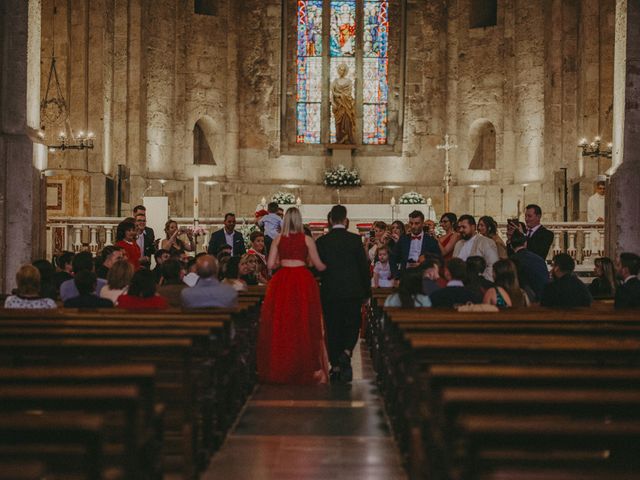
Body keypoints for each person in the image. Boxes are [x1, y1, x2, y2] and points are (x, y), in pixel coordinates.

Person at [258, 207, 329, 385]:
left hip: (282, 281)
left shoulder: (278, 239)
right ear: (299, 220)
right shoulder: (306, 239)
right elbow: (317, 264)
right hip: (303, 280)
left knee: (283, 321)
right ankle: (304, 364)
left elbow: (271, 265)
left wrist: (283, 260)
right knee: (304, 321)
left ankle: (283, 364)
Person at [316, 205, 370, 383]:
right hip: (352, 291)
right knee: (352, 324)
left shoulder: (322, 242)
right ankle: (346, 352)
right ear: (346, 220)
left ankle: (336, 366)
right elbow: (363, 268)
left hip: (330, 291)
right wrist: (366, 292)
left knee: (332, 328)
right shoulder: (355, 240)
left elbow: (319, 269)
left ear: (330, 220)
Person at [392, 210, 441, 279]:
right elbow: (393, 257)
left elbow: (438, 259)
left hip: (424, 276)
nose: (413, 226)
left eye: (417, 223)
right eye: (411, 223)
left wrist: (423, 263)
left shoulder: (431, 241)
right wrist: (396, 276)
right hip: (405, 275)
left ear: (423, 224)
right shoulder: (403, 239)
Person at [453, 215, 499, 281]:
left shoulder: (486, 242)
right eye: (459, 227)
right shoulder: (458, 244)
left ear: (473, 227)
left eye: (464, 227)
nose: (460, 230)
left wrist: (483, 283)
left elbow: (493, 265)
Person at [508, 230, 549, 303]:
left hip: (528, 299)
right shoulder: (539, 258)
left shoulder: (512, 260)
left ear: (511, 245)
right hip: (544, 296)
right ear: (525, 243)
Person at [331, 63, 356, 144]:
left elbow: (349, 93)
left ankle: (347, 138)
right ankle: (339, 139)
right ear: (338, 70)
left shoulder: (348, 82)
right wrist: (335, 100)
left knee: (347, 121)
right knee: (338, 123)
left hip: (346, 105)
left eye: (343, 70)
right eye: (340, 69)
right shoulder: (335, 81)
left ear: (345, 71)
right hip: (338, 106)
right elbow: (333, 93)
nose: (341, 71)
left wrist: (341, 95)